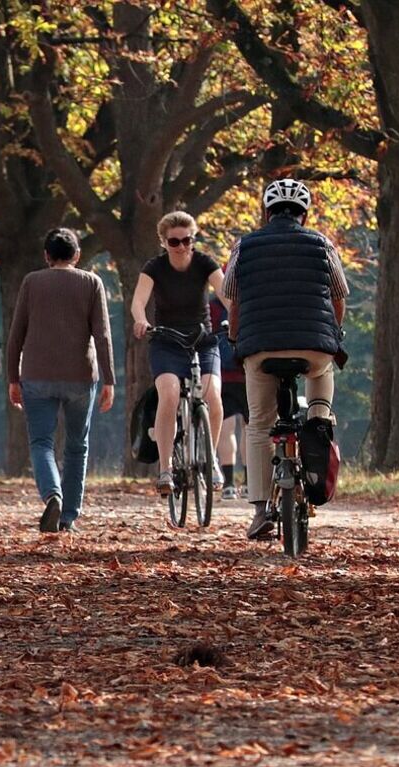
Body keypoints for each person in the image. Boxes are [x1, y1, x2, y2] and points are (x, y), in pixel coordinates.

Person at [220, 178, 348, 541]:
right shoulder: (323, 245)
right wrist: (333, 333)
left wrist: (234, 338)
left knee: (259, 423)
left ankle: (260, 509)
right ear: (305, 215)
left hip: (261, 346)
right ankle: (319, 422)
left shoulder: (244, 246)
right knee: (322, 378)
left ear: (266, 211)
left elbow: (233, 299)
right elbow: (339, 297)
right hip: (313, 346)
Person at [6, 227, 116, 533]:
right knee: (77, 446)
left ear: (46, 256)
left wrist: (13, 377)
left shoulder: (31, 282)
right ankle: (68, 515)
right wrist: (109, 379)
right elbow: (102, 335)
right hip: (81, 375)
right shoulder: (91, 282)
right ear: (77, 255)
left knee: (41, 442)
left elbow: (16, 335)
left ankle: (52, 493)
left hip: (37, 374)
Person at [129, 212, 226, 497]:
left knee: (213, 395)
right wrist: (140, 320)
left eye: (187, 240)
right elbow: (139, 300)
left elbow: (226, 293)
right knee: (169, 393)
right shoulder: (154, 268)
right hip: (167, 341)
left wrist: (236, 316)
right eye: (174, 241)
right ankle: (166, 468)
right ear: (164, 242)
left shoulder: (205, 263)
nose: (182, 247)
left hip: (202, 339)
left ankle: (211, 459)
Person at [211, 295, 246, 500]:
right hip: (248, 371)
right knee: (252, 429)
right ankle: (251, 482)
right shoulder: (249, 294)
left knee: (227, 429)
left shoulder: (214, 304)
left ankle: (229, 483)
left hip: (223, 374)